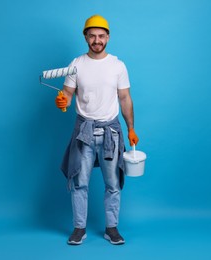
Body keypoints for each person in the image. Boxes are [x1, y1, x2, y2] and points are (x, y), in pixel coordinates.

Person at [55, 14, 139, 245]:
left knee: (113, 184)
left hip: (111, 133)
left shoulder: (117, 66)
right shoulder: (76, 64)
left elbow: (125, 98)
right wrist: (62, 101)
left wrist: (131, 128)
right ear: (85, 37)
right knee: (80, 182)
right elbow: (68, 94)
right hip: (84, 132)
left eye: (101, 36)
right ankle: (79, 228)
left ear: (108, 37)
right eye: (92, 35)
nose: (97, 40)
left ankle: (111, 228)